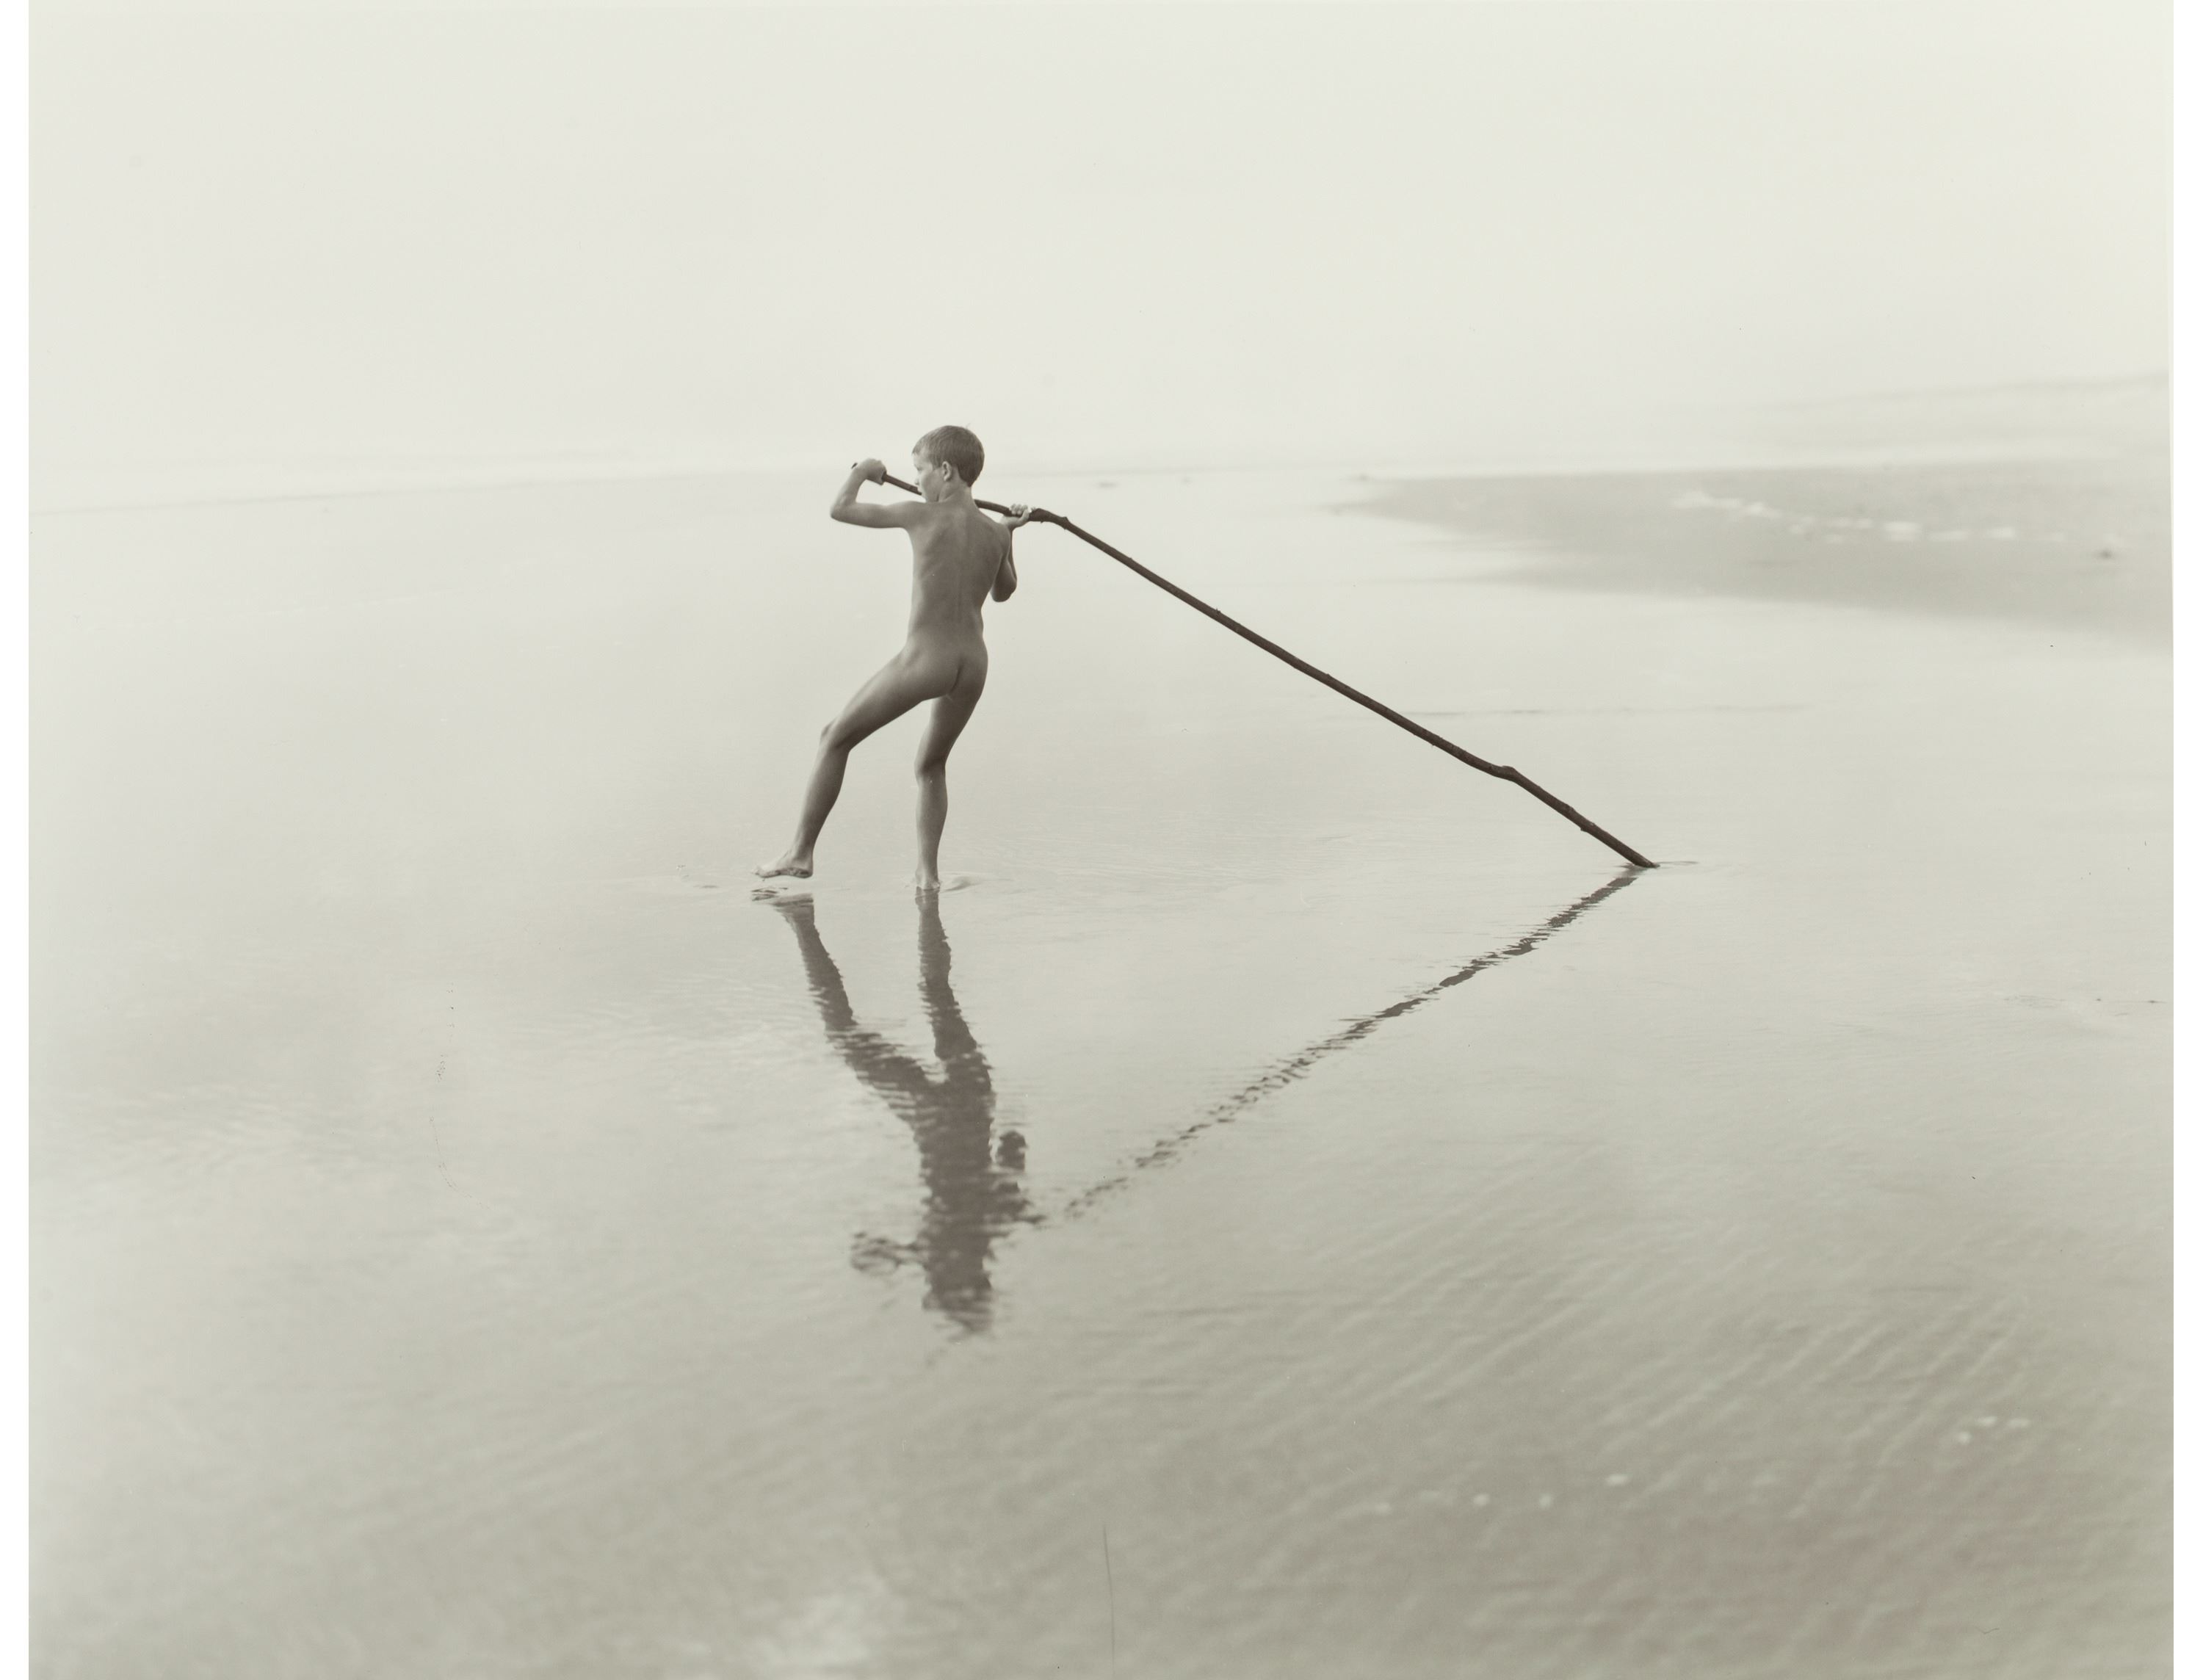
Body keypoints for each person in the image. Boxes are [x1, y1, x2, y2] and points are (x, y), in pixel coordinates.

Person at [757, 425, 1027, 890]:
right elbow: (1005, 592)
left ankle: (801, 852)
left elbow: (840, 509)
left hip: (927, 658)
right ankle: (928, 876)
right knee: (930, 765)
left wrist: (862, 472)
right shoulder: (994, 533)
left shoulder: (921, 516)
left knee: (834, 737)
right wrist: (1008, 534)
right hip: (974, 665)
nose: (918, 481)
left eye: (920, 470)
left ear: (946, 471)